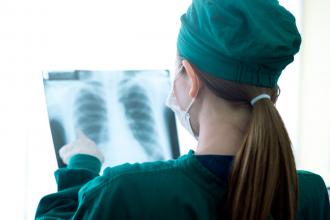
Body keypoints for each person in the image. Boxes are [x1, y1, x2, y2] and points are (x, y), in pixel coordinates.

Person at [35, 0, 330, 219]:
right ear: (271, 92)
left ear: (190, 80)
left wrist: (80, 168)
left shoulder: (123, 192)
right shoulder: (309, 195)